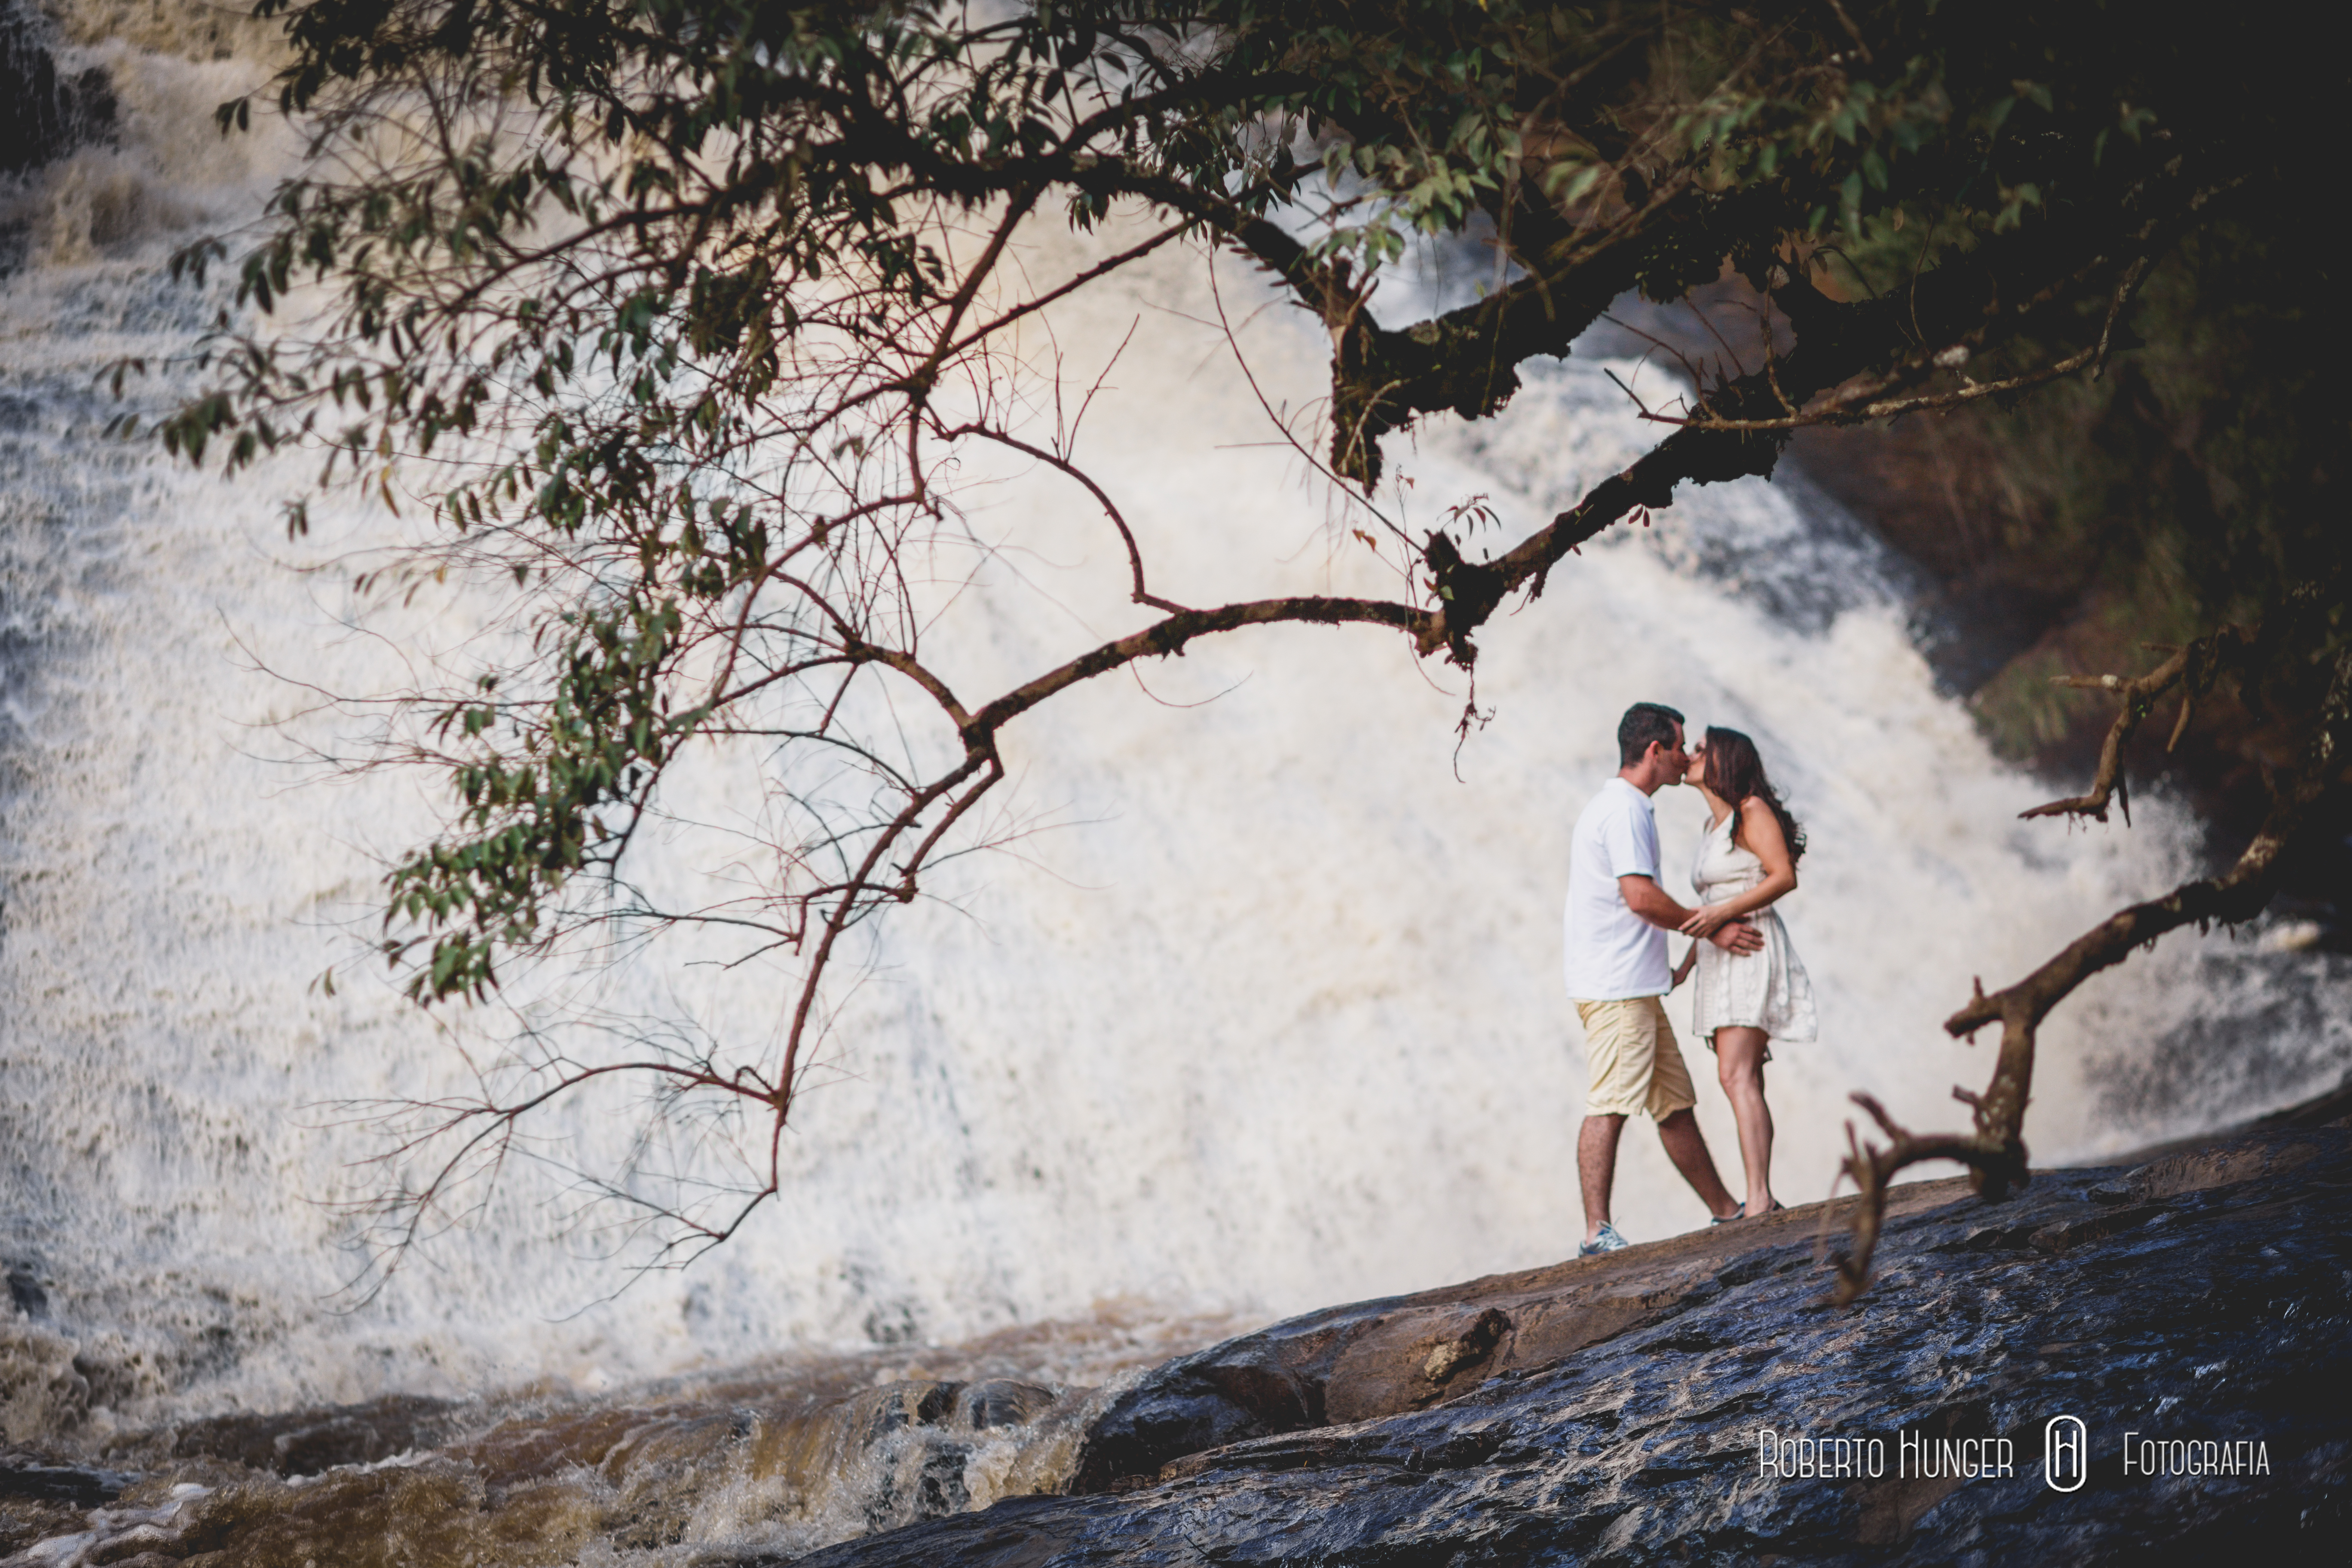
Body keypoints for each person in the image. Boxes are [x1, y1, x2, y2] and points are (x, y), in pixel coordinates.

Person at [1565, 702, 1761, 1256]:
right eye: (1679, 748)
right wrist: (1713, 929)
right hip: (1617, 990)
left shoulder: (1621, 806)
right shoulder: (1625, 811)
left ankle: (1727, 1213)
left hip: (1633, 986)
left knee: (1673, 1106)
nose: (1686, 758)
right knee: (1609, 1102)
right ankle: (1595, 1233)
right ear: (1655, 751)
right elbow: (1640, 898)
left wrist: (1673, 965)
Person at [1671, 726, 1817, 1219]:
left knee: (1736, 1075)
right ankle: (1761, 1195)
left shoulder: (1752, 811)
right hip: (1720, 953)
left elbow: (1783, 876)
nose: (1689, 755)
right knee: (1742, 1075)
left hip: (1751, 946)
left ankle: (1758, 1198)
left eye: (1700, 750)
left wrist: (1719, 916)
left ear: (1724, 761)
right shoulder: (1713, 826)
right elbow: (1713, 905)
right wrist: (1689, 963)